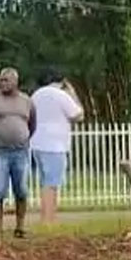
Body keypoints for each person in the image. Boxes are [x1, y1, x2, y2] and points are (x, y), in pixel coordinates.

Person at [0, 67, 36, 238]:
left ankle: (20, 227)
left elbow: (32, 124)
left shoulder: (27, 101)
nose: (2, 83)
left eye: (6, 80)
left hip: (20, 151)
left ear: (15, 82)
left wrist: (23, 137)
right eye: (1, 80)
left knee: (21, 190)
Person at [30, 68, 84, 224]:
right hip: (55, 145)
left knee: (45, 182)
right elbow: (78, 115)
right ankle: (48, 219)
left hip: (37, 143)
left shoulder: (36, 95)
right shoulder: (61, 95)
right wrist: (73, 93)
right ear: (62, 82)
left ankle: (47, 218)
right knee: (52, 183)